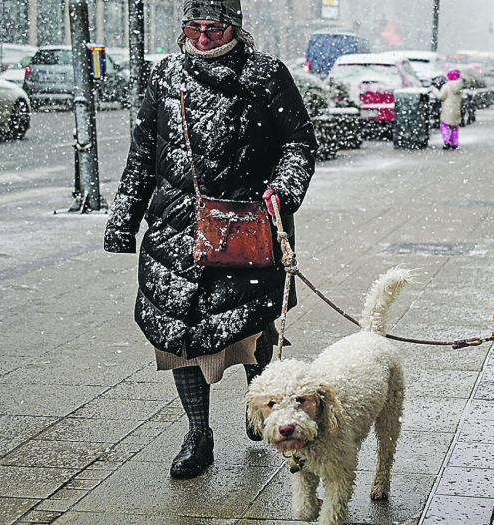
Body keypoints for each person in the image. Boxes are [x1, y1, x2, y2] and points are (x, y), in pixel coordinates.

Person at [103, 0, 317, 480]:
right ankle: (198, 434)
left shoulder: (266, 74)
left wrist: (282, 191)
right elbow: (142, 155)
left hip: (245, 228)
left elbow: (299, 142)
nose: (202, 38)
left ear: (235, 29)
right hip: (176, 232)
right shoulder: (166, 77)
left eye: (213, 29)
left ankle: (258, 406)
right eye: (194, 28)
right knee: (177, 338)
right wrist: (123, 220)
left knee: (252, 328)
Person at [430, 69, 464, 150]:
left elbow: (441, 96)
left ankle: (447, 140)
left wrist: (434, 90)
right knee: (454, 127)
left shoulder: (447, 86)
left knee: (443, 125)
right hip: (456, 109)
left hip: (447, 109)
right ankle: (455, 142)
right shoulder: (459, 86)